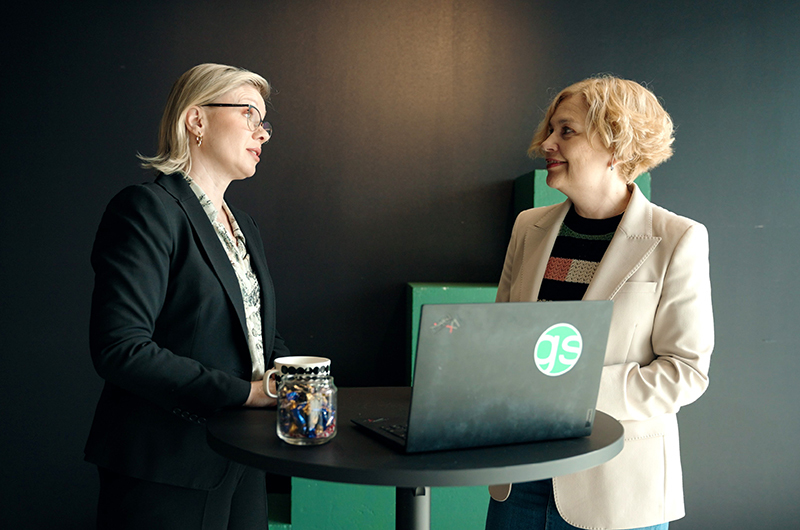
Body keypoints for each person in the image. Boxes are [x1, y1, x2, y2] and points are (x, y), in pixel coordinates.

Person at [485, 76, 714, 530]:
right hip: (519, 479)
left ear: (617, 146)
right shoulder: (528, 227)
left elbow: (685, 372)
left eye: (566, 131)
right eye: (551, 130)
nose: (546, 144)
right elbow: (498, 337)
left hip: (618, 490)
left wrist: (569, 395)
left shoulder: (678, 238)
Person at [84, 63, 290, 529]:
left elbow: (257, 335)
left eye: (265, 122)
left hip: (242, 459)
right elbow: (121, 349)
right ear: (197, 120)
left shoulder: (244, 227)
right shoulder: (146, 210)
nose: (263, 133)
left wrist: (296, 378)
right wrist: (245, 394)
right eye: (249, 115)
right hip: (167, 466)